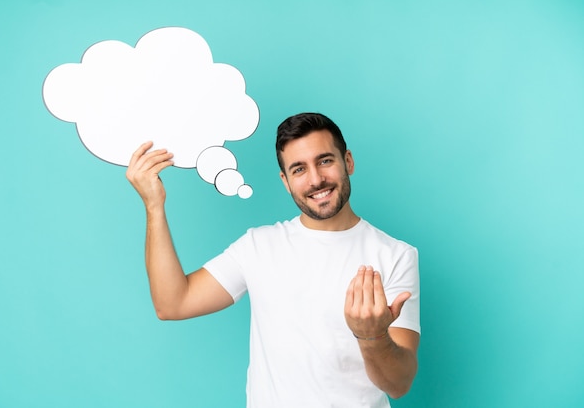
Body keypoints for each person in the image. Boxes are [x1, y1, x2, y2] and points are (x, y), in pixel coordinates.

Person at [126, 112, 420, 408]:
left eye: (325, 161)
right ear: (286, 181)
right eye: (299, 169)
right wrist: (154, 206)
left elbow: (398, 384)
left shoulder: (395, 255)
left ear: (348, 161)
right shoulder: (258, 245)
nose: (316, 179)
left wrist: (372, 337)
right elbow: (173, 303)